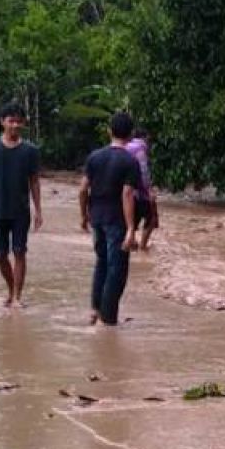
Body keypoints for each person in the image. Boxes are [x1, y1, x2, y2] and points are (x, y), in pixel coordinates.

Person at [0, 102, 42, 307]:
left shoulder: (30, 151)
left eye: (19, 121)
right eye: (11, 121)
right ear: (2, 122)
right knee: (1, 254)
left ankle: (17, 297)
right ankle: (11, 289)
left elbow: (35, 182)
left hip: (21, 211)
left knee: (20, 252)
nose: (15, 125)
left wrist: (38, 210)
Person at [79, 112, 142, 326]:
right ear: (131, 135)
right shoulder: (130, 161)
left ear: (109, 131)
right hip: (117, 220)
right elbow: (126, 194)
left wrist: (83, 215)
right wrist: (132, 228)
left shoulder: (94, 157)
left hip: (97, 217)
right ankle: (108, 319)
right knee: (117, 269)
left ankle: (95, 310)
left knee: (102, 263)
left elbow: (82, 189)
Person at [125, 128, 158, 249]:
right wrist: (149, 190)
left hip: (125, 193)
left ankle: (131, 240)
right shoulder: (140, 149)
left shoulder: (125, 147)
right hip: (138, 192)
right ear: (144, 138)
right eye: (148, 139)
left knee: (131, 219)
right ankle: (143, 246)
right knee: (152, 218)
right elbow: (143, 172)